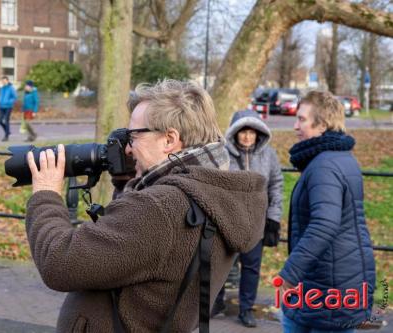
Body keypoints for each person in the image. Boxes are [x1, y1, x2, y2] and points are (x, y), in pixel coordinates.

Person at [25, 80, 269, 332]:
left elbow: (59, 262)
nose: (128, 148)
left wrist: (45, 193)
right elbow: (141, 255)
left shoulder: (159, 208)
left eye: (134, 136)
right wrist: (130, 184)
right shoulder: (213, 192)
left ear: (169, 139)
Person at [277, 91, 375, 332]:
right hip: (334, 280)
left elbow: (324, 224)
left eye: (301, 119)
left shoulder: (324, 166)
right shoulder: (341, 158)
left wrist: (289, 275)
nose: (294, 126)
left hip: (326, 288)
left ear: (321, 124)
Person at [212, 110, 283, 327]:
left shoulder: (269, 155)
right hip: (229, 223)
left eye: (252, 132)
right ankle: (217, 302)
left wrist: (273, 218)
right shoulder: (222, 155)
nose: (247, 137)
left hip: (257, 225)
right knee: (221, 265)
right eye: (243, 132)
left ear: (258, 134)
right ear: (235, 133)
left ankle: (246, 308)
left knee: (251, 268)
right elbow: (215, 186)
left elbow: (276, 186)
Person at [0, 76, 17, 141]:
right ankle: (7, 131)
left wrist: (8, 102)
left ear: (7, 81)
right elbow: (0, 96)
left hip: (8, 106)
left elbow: (14, 97)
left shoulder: (11, 88)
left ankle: (6, 136)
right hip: (1, 106)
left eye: (4, 81)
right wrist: (0, 101)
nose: (3, 82)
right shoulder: (2, 88)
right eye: (2, 81)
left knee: (6, 120)